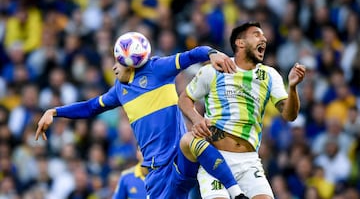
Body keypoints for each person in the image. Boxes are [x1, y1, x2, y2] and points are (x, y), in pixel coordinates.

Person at [35, 32, 246, 199]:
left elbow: (190, 55)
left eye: (117, 62)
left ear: (129, 61)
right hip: (156, 173)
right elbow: (90, 107)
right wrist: (55, 111)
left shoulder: (157, 69)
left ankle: (237, 194)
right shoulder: (119, 90)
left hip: (178, 159)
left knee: (190, 140)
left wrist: (212, 53)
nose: (113, 67)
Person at [178, 21, 306, 199]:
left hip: (249, 161)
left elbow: (290, 115)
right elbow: (184, 99)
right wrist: (197, 119)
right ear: (240, 43)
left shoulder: (270, 75)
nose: (264, 39)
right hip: (215, 158)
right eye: (257, 35)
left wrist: (292, 88)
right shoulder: (215, 70)